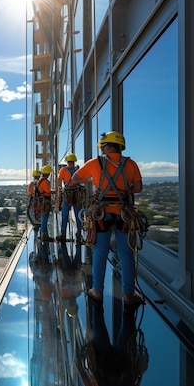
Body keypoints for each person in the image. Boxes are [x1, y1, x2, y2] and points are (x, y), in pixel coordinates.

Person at [70, 131, 144, 306]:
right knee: (126, 253)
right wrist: (122, 189)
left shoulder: (96, 163)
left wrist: (97, 182)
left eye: (103, 146)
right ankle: (128, 294)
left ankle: (97, 290)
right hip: (124, 213)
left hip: (101, 214)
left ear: (107, 146)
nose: (102, 149)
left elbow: (75, 178)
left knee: (100, 251)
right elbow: (138, 188)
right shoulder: (131, 164)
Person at [56, 153, 84, 242]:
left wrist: (59, 190)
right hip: (76, 194)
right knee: (78, 215)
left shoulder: (63, 170)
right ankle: (79, 233)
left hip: (67, 194)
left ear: (67, 162)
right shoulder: (78, 170)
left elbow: (59, 180)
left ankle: (63, 234)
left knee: (65, 215)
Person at [37, 165, 53, 241]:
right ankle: (44, 234)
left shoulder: (40, 180)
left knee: (44, 217)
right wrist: (56, 192)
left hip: (42, 200)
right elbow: (48, 191)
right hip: (45, 201)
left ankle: (43, 233)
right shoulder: (45, 181)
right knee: (45, 217)